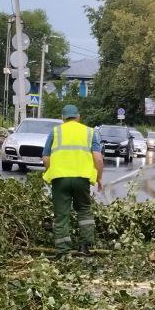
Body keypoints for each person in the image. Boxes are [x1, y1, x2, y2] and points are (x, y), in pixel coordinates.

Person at [41, 105, 104, 257]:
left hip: (60, 179)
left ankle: (63, 251)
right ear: (78, 116)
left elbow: (45, 158)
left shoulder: (55, 132)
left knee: (61, 214)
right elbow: (98, 159)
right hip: (81, 179)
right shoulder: (90, 132)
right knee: (84, 210)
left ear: (63, 118)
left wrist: (52, 171)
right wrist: (99, 177)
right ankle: (84, 247)